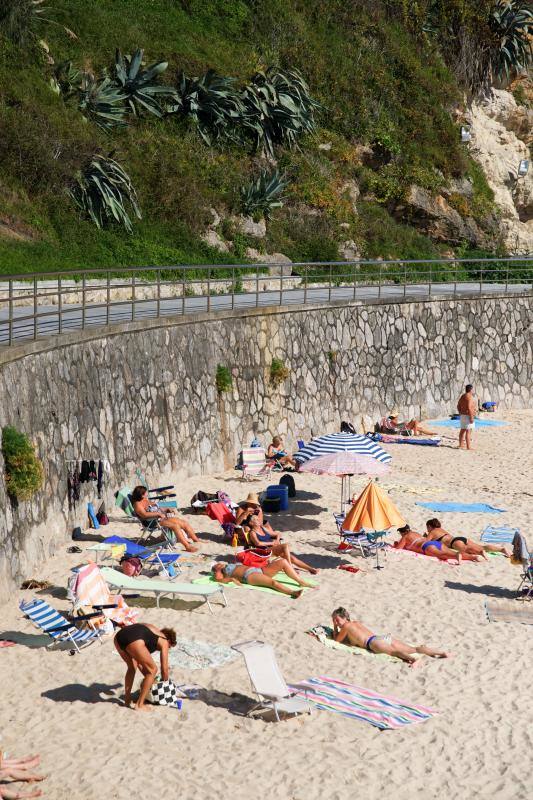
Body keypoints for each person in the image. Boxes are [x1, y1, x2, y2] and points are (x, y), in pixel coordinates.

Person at [331, 607, 451, 667]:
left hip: (373, 643)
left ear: (345, 618)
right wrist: (337, 625)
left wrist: (335, 627)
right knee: (414, 649)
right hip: (381, 638)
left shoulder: (345, 627)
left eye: (337, 620)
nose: (336, 622)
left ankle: (415, 660)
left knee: (395, 652)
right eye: (335, 621)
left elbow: (337, 641)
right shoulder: (355, 623)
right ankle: (442, 653)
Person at [114, 622, 177, 711]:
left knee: (132, 667)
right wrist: (165, 684)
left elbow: (139, 662)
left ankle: (127, 700)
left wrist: (150, 679)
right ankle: (139, 705)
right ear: (169, 640)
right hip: (134, 639)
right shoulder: (164, 641)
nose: (169, 648)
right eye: (170, 647)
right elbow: (164, 668)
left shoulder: (151, 633)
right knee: (153, 669)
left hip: (119, 637)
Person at [131, 485, 200, 552]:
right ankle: (187, 546)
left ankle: (196, 540)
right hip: (152, 521)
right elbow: (144, 515)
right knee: (175, 526)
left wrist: (166, 508)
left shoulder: (145, 499)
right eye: (146, 493)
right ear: (142, 495)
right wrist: (158, 514)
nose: (147, 494)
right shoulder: (137, 504)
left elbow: (155, 506)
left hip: (160, 517)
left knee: (183, 522)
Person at [243, 514, 318, 575]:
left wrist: (277, 540)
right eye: (256, 520)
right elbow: (258, 543)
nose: (259, 520)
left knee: (292, 558)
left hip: (272, 548)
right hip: (264, 551)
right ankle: (290, 567)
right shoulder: (252, 532)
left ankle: (311, 569)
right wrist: (272, 543)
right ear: (251, 523)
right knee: (285, 546)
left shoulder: (262, 528)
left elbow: (277, 534)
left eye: (258, 519)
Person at [211, 558, 316, 598]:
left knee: (283, 562)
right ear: (215, 568)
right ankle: (292, 592)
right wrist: (231, 579)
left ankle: (300, 581)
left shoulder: (225, 565)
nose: (218, 563)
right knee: (272, 583)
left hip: (258, 570)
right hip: (249, 576)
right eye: (216, 565)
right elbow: (219, 579)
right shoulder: (218, 571)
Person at [425, 518, 510, 559]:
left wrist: (425, 536)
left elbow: (426, 542)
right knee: (482, 546)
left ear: (429, 526)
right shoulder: (442, 530)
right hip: (461, 538)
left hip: (454, 543)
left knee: (467, 550)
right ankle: (501, 549)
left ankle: (480, 553)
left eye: (427, 527)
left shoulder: (432, 532)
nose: (427, 530)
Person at [394, 524, 480, 563]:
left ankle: (457, 556)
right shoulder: (416, 533)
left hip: (426, 546)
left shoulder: (405, 537)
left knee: (442, 554)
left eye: (400, 533)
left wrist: (395, 544)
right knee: (451, 552)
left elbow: (398, 548)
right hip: (434, 543)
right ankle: (473, 557)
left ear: (403, 532)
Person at [457, 384, 476, 450]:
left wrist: (460, 412)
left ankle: (461, 444)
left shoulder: (463, 396)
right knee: (468, 431)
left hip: (463, 415)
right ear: (471, 389)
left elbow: (458, 405)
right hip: (468, 415)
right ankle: (468, 446)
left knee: (462, 430)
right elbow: (469, 407)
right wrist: (471, 417)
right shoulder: (470, 397)